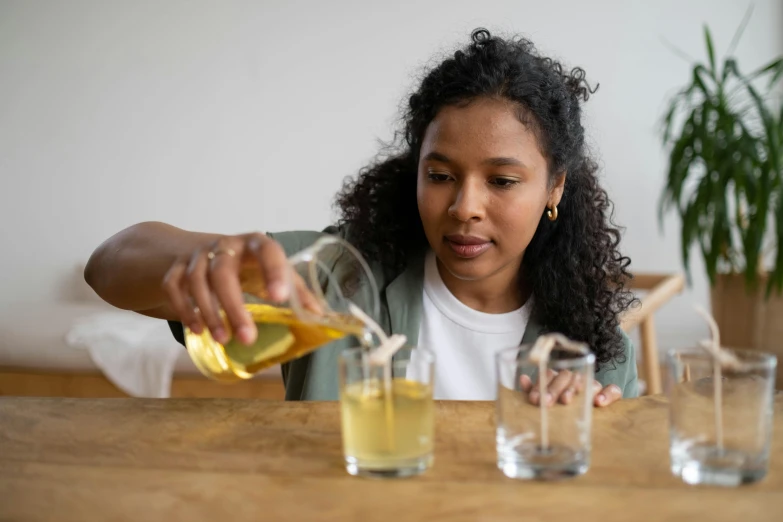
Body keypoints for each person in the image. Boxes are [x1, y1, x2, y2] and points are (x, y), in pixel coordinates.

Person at [85, 28, 638, 404]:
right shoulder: (339, 278)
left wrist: (592, 433)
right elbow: (109, 264)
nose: (465, 207)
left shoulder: (592, 345)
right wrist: (204, 259)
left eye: (502, 181)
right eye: (440, 175)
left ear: (554, 186)